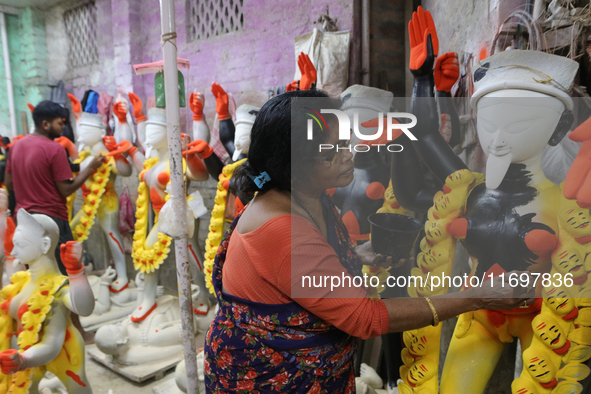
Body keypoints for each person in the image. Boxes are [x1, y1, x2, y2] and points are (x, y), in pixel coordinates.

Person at [203, 89, 534, 393]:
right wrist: (473, 297)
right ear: (295, 164)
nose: (350, 154)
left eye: (347, 141)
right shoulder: (281, 227)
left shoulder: (310, 195)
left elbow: (303, 272)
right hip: (270, 377)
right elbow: (365, 319)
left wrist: (356, 254)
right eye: (334, 150)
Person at [4, 100, 105, 275]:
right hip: (52, 222)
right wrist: (90, 168)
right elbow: (66, 189)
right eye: (59, 123)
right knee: (64, 274)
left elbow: (9, 183)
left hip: (25, 221)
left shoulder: (16, 147)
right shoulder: (55, 149)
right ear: (45, 124)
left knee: (38, 276)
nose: (62, 128)